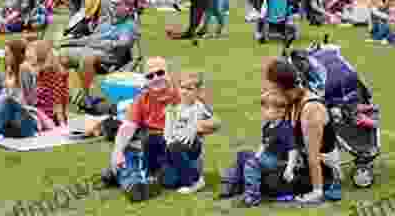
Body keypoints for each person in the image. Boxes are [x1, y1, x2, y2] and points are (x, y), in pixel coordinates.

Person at [102, 57, 221, 202]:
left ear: (168, 74)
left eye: (160, 73)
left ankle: (127, 177)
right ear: (145, 80)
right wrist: (117, 151)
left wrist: (195, 126)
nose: (156, 78)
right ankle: (134, 183)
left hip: (181, 154)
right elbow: (127, 126)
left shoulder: (184, 93)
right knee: (128, 149)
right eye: (150, 76)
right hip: (154, 151)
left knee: (165, 176)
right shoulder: (142, 99)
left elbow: (215, 122)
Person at [257, 56, 342, 205]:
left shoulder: (311, 108)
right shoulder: (292, 100)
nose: (270, 92)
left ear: (283, 87)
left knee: (267, 182)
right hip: (300, 162)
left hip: (323, 172)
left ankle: (317, 188)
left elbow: (313, 156)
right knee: (254, 167)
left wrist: (316, 192)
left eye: (273, 88)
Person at [56, 0, 138, 107]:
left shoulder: (129, 25)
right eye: (113, 4)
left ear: (128, 8)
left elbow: (124, 42)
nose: (114, 6)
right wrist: (68, 42)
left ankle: (86, 97)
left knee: (87, 57)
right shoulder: (105, 21)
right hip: (91, 50)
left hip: (108, 58)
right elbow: (90, 39)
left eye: (118, 4)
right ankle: (64, 92)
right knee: (62, 54)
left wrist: (106, 43)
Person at [219, 88, 297, 207]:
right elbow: (263, 144)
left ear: (281, 111)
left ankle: (252, 196)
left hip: (277, 161)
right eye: (264, 108)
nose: (263, 112)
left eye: (267, 108)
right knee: (242, 154)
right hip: (266, 157)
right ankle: (231, 185)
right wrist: (257, 156)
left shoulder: (285, 129)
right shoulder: (267, 126)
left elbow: (293, 150)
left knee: (251, 163)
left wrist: (289, 168)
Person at [163, 71, 213, 193]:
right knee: (168, 182)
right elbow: (168, 130)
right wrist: (169, 142)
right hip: (174, 146)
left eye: (189, 89)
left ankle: (194, 181)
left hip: (192, 146)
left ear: (198, 91)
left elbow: (214, 122)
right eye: (182, 87)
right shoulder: (174, 108)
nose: (184, 91)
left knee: (175, 147)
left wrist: (197, 127)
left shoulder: (199, 107)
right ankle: (183, 175)